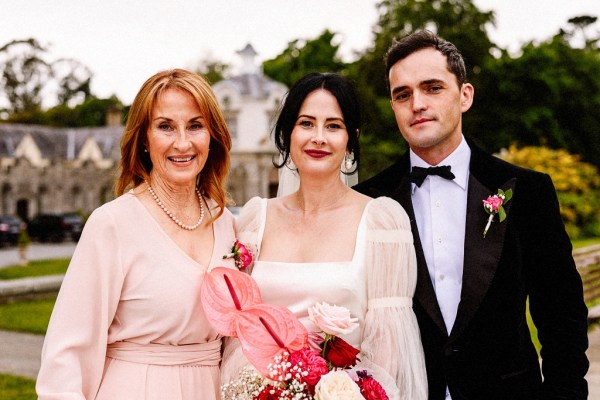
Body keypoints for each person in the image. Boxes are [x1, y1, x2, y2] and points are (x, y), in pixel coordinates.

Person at [354, 30, 589, 399]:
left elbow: (561, 313)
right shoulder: (367, 201)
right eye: (403, 94)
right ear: (393, 107)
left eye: (432, 88)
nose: (416, 103)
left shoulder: (527, 191)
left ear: (465, 96)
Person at [224, 72, 428, 399]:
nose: (319, 137)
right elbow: (237, 336)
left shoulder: (382, 222)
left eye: (333, 126)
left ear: (351, 139)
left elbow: (389, 346)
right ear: (287, 134)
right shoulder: (254, 219)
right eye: (306, 123)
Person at [36, 69, 237, 399]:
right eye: (165, 126)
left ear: (212, 135)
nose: (182, 143)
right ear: (144, 138)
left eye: (196, 126)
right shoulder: (113, 224)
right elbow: (66, 356)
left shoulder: (226, 223)